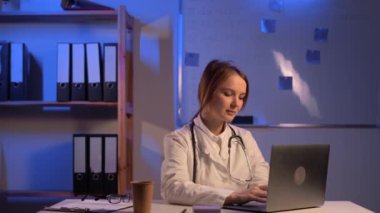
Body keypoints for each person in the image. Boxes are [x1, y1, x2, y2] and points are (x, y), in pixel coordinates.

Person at [161, 59, 269, 206]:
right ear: (207, 92)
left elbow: (262, 183)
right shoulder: (179, 139)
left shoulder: (245, 138)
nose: (236, 104)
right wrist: (234, 196)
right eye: (228, 93)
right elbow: (173, 188)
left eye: (241, 97)